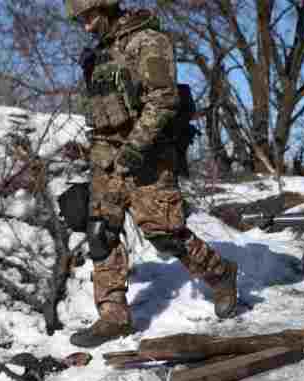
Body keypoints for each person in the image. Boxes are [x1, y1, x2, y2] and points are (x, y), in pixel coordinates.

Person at [67, 0, 238, 348]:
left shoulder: (147, 41)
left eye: (90, 17)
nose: (86, 26)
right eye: (81, 20)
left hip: (148, 154)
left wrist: (134, 148)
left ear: (108, 8)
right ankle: (113, 316)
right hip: (106, 156)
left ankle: (221, 274)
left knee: (165, 234)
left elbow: (163, 101)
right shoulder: (100, 53)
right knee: (101, 231)